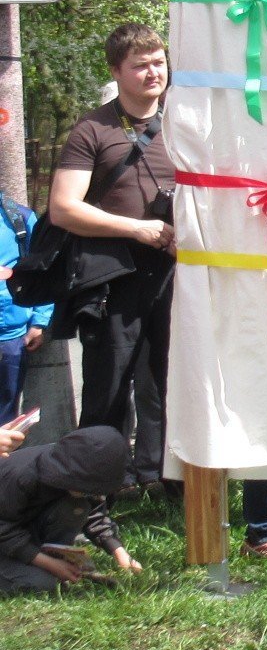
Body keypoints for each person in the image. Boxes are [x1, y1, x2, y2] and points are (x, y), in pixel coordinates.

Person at [48, 24, 177, 494]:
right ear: (116, 71)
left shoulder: (186, 122)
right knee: (107, 389)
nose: (152, 72)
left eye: (158, 61)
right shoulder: (93, 129)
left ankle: (164, 482)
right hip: (111, 276)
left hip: (172, 274)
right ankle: (92, 494)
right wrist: (137, 229)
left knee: (169, 383)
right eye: (140, 64)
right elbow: (63, 207)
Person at [0, 426, 140, 592]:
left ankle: (53, 563)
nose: (89, 493)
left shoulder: (77, 469)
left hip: (24, 531)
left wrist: (119, 552)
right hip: (5, 537)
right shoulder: (20, 476)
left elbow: (94, 512)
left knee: (77, 506)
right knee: (42, 584)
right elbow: (4, 530)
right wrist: (50, 565)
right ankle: (44, 569)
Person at [0, 191, 53, 421]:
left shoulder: (19, 218)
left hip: (11, 337)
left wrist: (39, 321)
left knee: (6, 415)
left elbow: (43, 271)